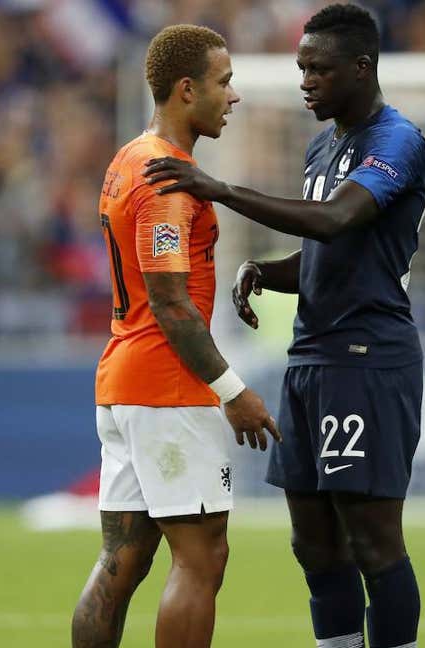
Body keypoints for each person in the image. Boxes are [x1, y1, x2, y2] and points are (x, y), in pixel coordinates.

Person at [142, 5, 425, 647]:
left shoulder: (397, 141)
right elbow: (326, 253)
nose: (305, 81)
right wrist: (265, 273)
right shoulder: (322, 144)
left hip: (367, 360)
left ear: (362, 68)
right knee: (314, 543)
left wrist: (215, 188)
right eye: (301, 68)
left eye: (319, 70)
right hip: (310, 360)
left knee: (372, 540)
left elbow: (335, 221)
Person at [71, 24, 281, 648]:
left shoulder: (128, 159)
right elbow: (170, 303)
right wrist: (232, 388)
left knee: (122, 560)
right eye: (224, 82)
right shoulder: (167, 178)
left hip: (124, 381)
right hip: (168, 388)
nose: (234, 96)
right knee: (201, 558)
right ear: (186, 90)